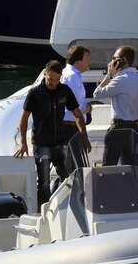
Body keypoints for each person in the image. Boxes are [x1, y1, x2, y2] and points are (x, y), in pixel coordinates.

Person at [17, 59, 87, 204]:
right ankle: (44, 210)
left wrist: (84, 135)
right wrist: (23, 142)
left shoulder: (64, 91)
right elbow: (23, 119)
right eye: (50, 79)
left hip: (60, 141)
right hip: (41, 142)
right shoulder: (35, 93)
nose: (54, 83)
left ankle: (63, 206)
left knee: (66, 176)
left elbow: (77, 114)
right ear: (44, 74)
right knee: (43, 181)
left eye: (57, 80)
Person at [93, 46, 138, 170]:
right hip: (133, 129)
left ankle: (107, 189)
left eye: (114, 59)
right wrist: (136, 121)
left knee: (108, 168)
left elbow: (97, 94)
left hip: (118, 129)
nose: (112, 62)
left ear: (123, 60)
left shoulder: (120, 80)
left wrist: (109, 76)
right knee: (131, 168)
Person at [61, 45, 93, 126]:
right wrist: (89, 108)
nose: (89, 62)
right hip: (71, 126)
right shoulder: (72, 76)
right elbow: (78, 107)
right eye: (87, 59)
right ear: (78, 61)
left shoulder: (65, 72)